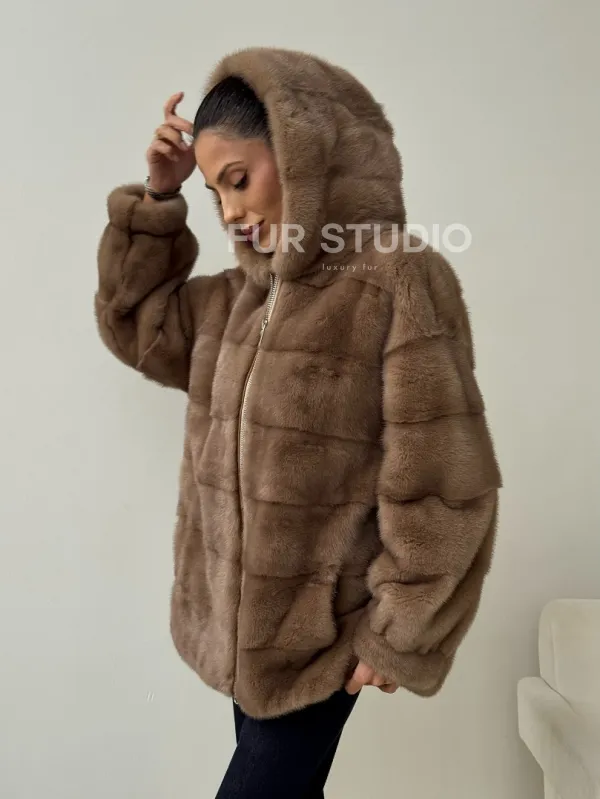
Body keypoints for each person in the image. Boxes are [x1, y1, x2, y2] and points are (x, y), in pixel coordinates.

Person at [95, 46, 501, 798]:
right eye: (215, 193)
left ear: (304, 153)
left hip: (323, 636)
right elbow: (138, 328)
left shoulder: (397, 278)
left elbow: (443, 474)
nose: (231, 212)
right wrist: (158, 199)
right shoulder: (235, 300)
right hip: (238, 638)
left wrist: (400, 628)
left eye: (239, 180)